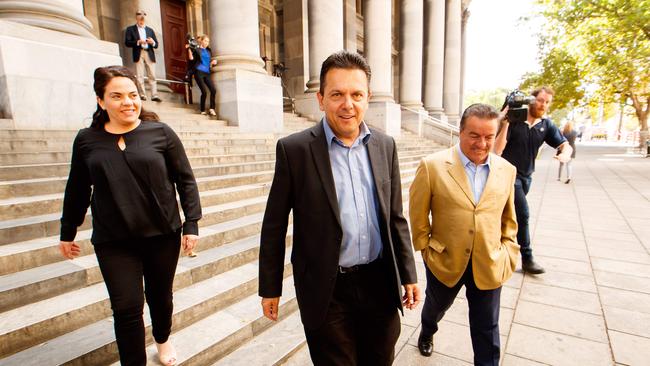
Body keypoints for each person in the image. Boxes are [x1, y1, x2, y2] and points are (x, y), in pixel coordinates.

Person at [258, 50, 420, 365]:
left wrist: (408, 274)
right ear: (321, 99)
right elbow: (274, 225)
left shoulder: (385, 146)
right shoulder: (295, 151)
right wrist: (270, 287)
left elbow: (395, 218)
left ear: (368, 97)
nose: (348, 104)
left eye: (356, 94)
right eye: (337, 94)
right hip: (326, 288)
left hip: (379, 283)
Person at [58, 66, 202, 366]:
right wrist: (67, 231)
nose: (128, 102)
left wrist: (191, 224)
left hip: (162, 235)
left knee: (160, 298)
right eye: (117, 96)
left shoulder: (160, 133)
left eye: (133, 95)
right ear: (101, 101)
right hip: (114, 240)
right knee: (126, 308)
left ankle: (162, 338)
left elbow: (185, 180)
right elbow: (77, 188)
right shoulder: (87, 140)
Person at [410, 104, 520, 365]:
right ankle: (427, 331)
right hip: (444, 260)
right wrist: (426, 249)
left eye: (489, 137)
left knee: (487, 329)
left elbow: (509, 219)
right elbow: (417, 215)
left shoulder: (507, 170)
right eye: (474, 135)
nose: (482, 143)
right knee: (435, 309)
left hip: (490, 262)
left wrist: (508, 251)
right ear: (460, 132)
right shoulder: (432, 166)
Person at [493, 86, 572, 274]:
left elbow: (564, 144)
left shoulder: (546, 125)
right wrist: (506, 122)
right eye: (540, 100)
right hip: (507, 175)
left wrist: (564, 155)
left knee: (505, 216)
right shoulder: (515, 120)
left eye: (546, 102)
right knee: (523, 214)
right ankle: (527, 258)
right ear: (531, 99)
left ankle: (495, 248)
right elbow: (497, 150)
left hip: (526, 177)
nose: (542, 104)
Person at [124, 10, 161, 102]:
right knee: (139, 75)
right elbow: (127, 43)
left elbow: (156, 45)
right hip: (138, 52)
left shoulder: (150, 30)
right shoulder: (130, 29)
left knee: (152, 75)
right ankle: (142, 95)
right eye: (140, 16)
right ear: (136, 17)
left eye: (143, 17)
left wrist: (153, 42)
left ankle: (154, 95)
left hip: (149, 53)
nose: (141, 19)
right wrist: (138, 42)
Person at [187, 35, 217, 116]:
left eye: (208, 41)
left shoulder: (209, 51)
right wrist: (189, 51)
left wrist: (213, 62)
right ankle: (202, 110)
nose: (207, 43)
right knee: (204, 92)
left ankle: (212, 108)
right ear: (201, 41)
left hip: (207, 73)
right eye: (205, 41)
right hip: (199, 72)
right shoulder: (197, 50)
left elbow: (208, 62)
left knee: (213, 90)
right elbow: (191, 59)